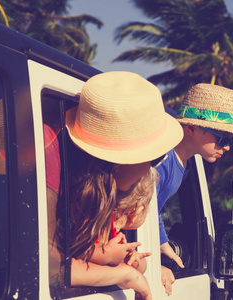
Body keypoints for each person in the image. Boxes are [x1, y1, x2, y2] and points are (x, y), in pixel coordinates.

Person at [46, 71, 183, 300]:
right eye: (154, 158)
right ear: (120, 165)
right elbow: (51, 269)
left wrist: (124, 265)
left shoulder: (90, 193)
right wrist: (123, 273)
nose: (152, 168)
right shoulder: (89, 204)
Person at [155, 83, 233, 295]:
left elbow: (151, 211)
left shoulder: (185, 165)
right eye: (222, 138)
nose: (226, 147)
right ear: (191, 128)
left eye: (230, 142)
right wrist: (152, 265)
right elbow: (134, 213)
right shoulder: (161, 159)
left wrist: (161, 243)